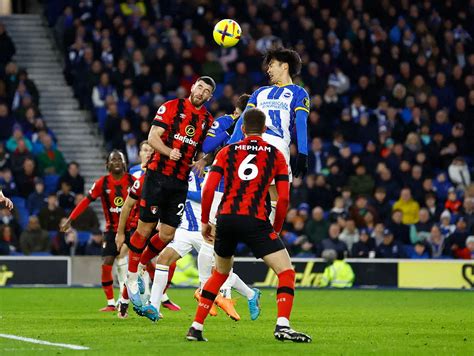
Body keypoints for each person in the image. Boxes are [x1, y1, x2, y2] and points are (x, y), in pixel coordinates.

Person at [186, 108, 311, 343]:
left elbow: (209, 189)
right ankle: (282, 325)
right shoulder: (276, 155)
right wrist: (276, 227)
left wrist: (205, 221)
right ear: (264, 130)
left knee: (220, 273)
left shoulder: (226, 151)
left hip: (226, 218)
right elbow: (283, 198)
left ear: (242, 129)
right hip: (256, 220)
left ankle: (196, 327)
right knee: (286, 272)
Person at [125, 77, 215, 305]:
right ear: (192, 87)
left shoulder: (207, 120)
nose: (201, 92)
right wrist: (167, 151)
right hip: (157, 175)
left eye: (207, 91)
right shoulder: (171, 106)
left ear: (209, 97)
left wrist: (203, 161)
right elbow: (152, 137)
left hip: (180, 181)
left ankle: (143, 263)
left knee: (167, 234)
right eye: (200, 87)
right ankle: (132, 275)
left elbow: (203, 152)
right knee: (144, 229)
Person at [228, 48, 310, 221]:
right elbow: (243, 120)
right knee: (270, 200)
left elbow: (301, 122)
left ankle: (263, 235)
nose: (268, 70)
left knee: (269, 200)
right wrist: (230, 147)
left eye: (272, 65)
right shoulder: (259, 92)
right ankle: (265, 235)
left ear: (284, 66)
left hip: (275, 146)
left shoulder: (298, 92)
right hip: (259, 144)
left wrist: (303, 152)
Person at [61, 151, 134, 311]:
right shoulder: (103, 183)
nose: (116, 162)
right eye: (112, 159)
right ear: (107, 164)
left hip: (131, 229)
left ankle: (144, 299)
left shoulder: (132, 181)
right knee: (107, 263)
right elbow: (85, 201)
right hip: (111, 231)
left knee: (136, 263)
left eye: (119, 159)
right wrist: (70, 219)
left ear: (124, 163)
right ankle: (111, 302)